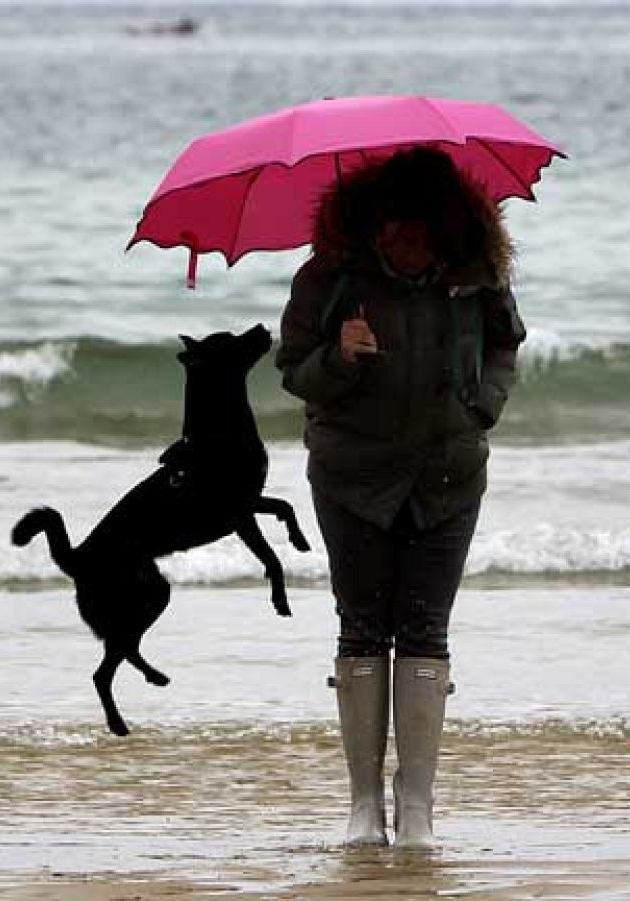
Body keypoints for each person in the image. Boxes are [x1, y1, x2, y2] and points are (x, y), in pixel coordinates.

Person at [275, 146, 526, 848]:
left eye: (421, 235)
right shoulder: (330, 278)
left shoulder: (478, 278)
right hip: (352, 477)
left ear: (447, 228)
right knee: (362, 628)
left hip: (448, 476)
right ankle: (364, 806)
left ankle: (415, 806)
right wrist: (340, 356)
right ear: (376, 225)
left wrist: (481, 406)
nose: (407, 247)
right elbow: (294, 370)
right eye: (395, 233)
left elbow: (507, 346)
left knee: (425, 630)